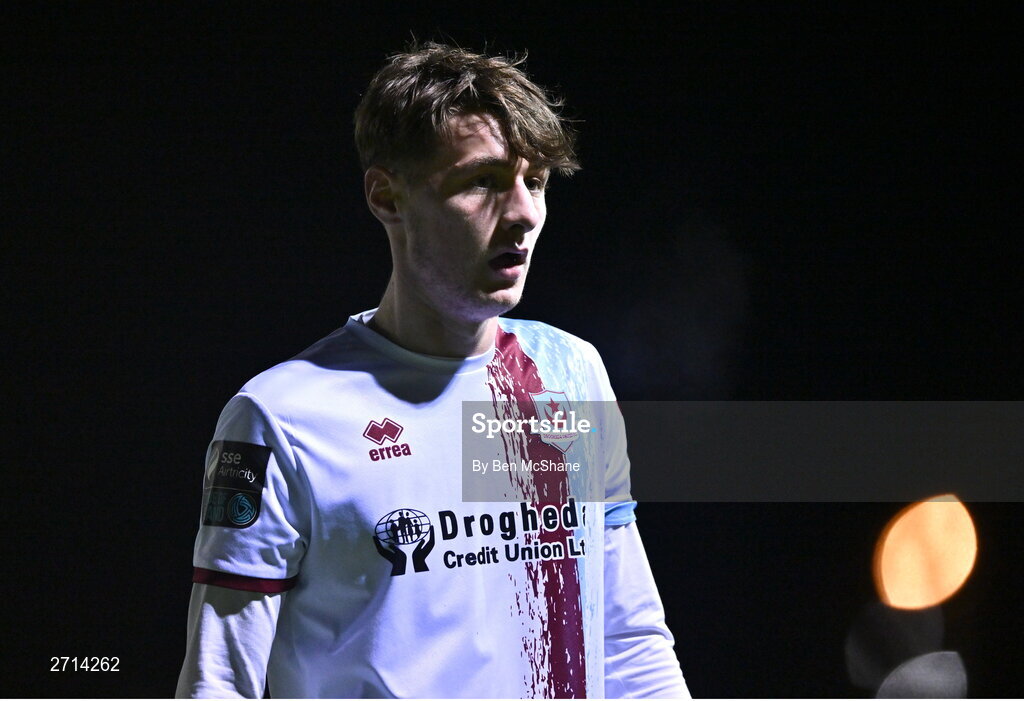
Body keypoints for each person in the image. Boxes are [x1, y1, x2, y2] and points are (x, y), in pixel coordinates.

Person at [176, 42, 689, 699]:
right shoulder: (280, 417)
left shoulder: (570, 374)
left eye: (535, 182)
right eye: (484, 182)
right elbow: (220, 680)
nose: (526, 213)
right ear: (388, 197)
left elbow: (628, 642)